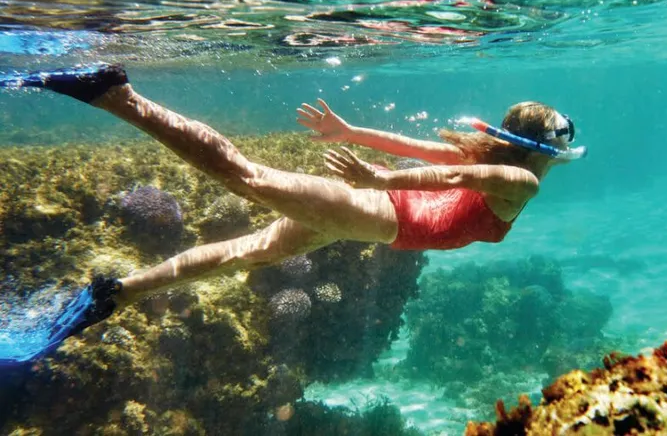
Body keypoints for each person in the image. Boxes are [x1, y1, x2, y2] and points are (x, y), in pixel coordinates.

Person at [0, 64, 586, 356]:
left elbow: (427, 152)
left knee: (251, 251)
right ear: (549, 149)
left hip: (375, 213)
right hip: (378, 212)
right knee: (246, 176)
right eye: (563, 139)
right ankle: (115, 95)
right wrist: (378, 176)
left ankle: (117, 292)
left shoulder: (501, 161)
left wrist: (352, 131)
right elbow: (455, 172)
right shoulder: (518, 180)